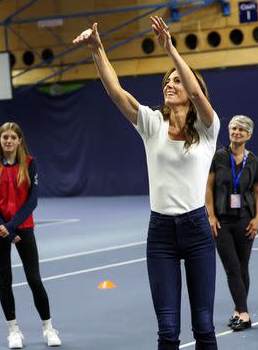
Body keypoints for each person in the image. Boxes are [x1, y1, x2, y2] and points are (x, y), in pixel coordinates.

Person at [73, 17, 220, 350]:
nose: (170, 85)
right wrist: (98, 50)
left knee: (204, 326)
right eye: (167, 81)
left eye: (176, 81)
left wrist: (169, 48)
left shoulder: (209, 129)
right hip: (162, 235)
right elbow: (116, 92)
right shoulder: (152, 123)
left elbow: (196, 90)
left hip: (197, 231)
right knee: (168, 329)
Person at [0, 122, 61, 349]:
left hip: (22, 229)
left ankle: (48, 328)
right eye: (4, 137)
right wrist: (4, 229)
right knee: (4, 281)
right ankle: (14, 331)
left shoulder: (30, 164)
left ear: (19, 141)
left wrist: (13, 226)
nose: (8, 141)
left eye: (12, 137)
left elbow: (32, 200)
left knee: (34, 279)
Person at [205, 115, 258, 331]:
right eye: (233, 128)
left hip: (245, 221)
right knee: (232, 267)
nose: (236, 132)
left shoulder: (254, 161)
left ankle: (239, 312)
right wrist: (210, 215)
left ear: (248, 135)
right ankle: (245, 313)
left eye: (241, 130)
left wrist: (257, 218)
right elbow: (208, 188)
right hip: (222, 222)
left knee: (243, 267)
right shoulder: (218, 157)